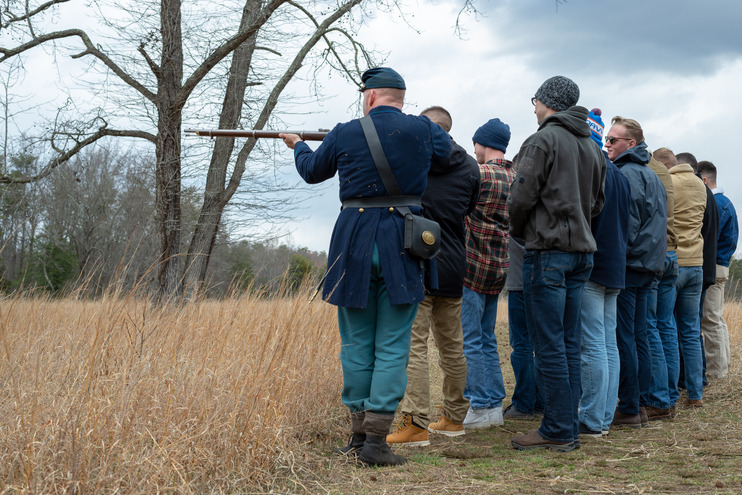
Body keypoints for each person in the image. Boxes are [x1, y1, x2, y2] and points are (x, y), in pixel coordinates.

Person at [280, 67, 451, 466]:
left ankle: (358, 437)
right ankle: (376, 443)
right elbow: (448, 159)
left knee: (356, 343)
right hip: (403, 242)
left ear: (371, 96)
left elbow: (311, 172)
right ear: (400, 97)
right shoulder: (425, 130)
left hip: (354, 240)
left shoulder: (345, 131)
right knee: (392, 345)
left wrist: (298, 145)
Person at [509, 76, 606, 452]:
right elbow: (597, 203)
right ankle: (565, 424)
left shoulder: (541, 140)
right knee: (568, 342)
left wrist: (522, 231)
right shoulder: (592, 145)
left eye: (534, 100)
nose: (533, 108)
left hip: (547, 252)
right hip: (581, 253)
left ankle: (557, 429)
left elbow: (520, 197)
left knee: (548, 344)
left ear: (547, 101)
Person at [387, 106, 480, 446]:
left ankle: (415, 424)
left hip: (417, 262)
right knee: (453, 346)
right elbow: (468, 209)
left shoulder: (413, 161)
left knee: (414, 346)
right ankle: (454, 418)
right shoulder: (471, 166)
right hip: (455, 261)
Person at [604, 117, 666, 429]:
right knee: (639, 335)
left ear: (632, 143)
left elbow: (625, 227)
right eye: (606, 138)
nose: (607, 143)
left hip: (631, 266)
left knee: (625, 337)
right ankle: (639, 404)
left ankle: (628, 406)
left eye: (614, 140)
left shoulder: (625, 174)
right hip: (650, 266)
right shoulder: (651, 174)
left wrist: (614, 258)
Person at [577, 109, 631, 438]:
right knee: (608, 344)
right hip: (616, 265)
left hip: (595, 265)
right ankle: (604, 417)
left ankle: (592, 418)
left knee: (593, 344)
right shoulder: (620, 175)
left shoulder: (593, 170)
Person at [459, 118, 515, 429]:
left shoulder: (478, 174)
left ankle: (481, 405)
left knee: (471, 340)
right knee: (488, 337)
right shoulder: (515, 176)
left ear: (485, 143)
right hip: (499, 265)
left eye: (476, 143)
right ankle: (493, 404)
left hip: (472, 264)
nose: (474, 149)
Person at [665, 152, 707, 407]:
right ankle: (695, 394)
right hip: (696, 263)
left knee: (668, 328)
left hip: (674, 262)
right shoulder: (700, 186)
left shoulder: (670, 183)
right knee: (691, 331)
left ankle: (668, 393)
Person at [643, 147, 679, 421]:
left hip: (654, 253)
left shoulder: (644, 171)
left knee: (649, 326)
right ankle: (669, 395)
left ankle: (658, 399)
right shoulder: (664, 173)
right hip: (672, 253)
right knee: (666, 326)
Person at [698, 160, 738, 379]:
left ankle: (716, 373)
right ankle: (723, 366)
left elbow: (708, 237)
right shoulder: (727, 202)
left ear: (705, 181)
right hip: (722, 265)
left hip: (714, 266)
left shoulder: (717, 203)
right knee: (717, 319)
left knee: (710, 319)